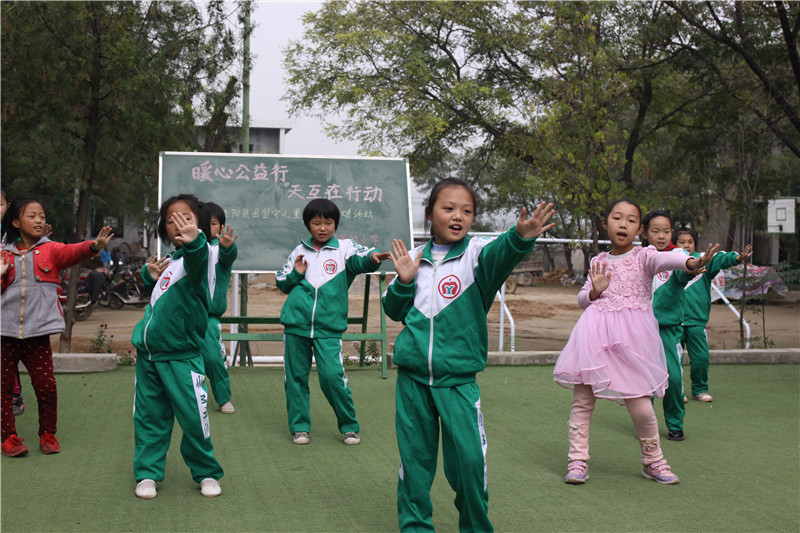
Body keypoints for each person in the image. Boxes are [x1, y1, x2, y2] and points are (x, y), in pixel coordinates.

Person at [383, 177, 555, 532]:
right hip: (413, 383)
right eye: (448, 208)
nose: (458, 216)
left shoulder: (477, 256)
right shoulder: (412, 258)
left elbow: (502, 254)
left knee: (470, 465)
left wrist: (521, 236)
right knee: (414, 463)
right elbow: (393, 309)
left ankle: (475, 526)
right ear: (429, 213)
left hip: (458, 383)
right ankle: (415, 526)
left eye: (467, 210)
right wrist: (403, 281)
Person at [553, 199, 718, 486]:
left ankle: (653, 462)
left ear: (639, 230)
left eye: (631, 220)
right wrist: (594, 291)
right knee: (582, 401)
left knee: (641, 407)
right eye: (617, 218)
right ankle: (577, 460)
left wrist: (691, 262)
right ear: (605, 224)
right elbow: (582, 300)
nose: (623, 224)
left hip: (632, 343)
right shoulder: (598, 261)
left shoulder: (645, 256)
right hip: (594, 337)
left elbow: (669, 259)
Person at [1, 194, 112, 457]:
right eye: (32, 216)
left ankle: (48, 434)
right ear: (16, 222)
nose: (39, 220)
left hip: (37, 336)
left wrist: (93, 246)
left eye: (42, 216)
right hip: (4, 334)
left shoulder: (49, 249)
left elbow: (72, 251)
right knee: (3, 390)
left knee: (47, 388)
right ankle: (9, 438)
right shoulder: (3, 253)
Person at [130, 194, 223, 499]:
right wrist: (149, 276)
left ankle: (206, 472)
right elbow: (158, 299)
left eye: (186, 218)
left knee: (194, 418)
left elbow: (198, 258)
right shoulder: (172, 262)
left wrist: (195, 239)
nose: (177, 224)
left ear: (200, 224)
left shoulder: (203, 255)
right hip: (149, 357)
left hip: (182, 357)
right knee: (149, 416)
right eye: (170, 220)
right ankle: (147, 474)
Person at [276, 198, 389, 446]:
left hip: (329, 328)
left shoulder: (345, 247)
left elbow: (361, 259)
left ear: (335, 224)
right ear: (308, 225)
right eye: (317, 223)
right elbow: (282, 282)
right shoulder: (299, 251)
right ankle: (300, 428)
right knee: (295, 379)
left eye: (328, 222)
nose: (323, 227)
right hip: (296, 325)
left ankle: (349, 426)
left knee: (332, 376)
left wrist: (373, 258)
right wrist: (296, 273)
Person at [673, 226, 752, 402]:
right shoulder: (670, 262)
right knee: (673, 358)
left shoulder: (704, 260)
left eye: (690, 242)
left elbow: (721, 258)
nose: (686, 245)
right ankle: (676, 391)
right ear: (675, 244)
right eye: (682, 242)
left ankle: (700, 389)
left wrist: (737, 258)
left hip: (696, 321)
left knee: (701, 357)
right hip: (674, 321)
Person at [642, 209, 695, 441]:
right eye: (655, 231)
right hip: (642, 329)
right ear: (645, 233)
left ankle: (675, 424)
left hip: (669, 331)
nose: (661, 236)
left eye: (666, 231)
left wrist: (691, 267)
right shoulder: (638, 256)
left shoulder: (679, 256)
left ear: (672, 233)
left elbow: (684, 274)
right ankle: (645, 425)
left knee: (673, 378)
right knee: (645, 381)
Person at [202, 202, 237, 414]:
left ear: (221, 227)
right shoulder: (183, 250)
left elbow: (228, 255)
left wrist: (227, 247)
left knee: (214, 359)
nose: (208, 228)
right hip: (182, 316)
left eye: (213, 223)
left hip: (207, 318)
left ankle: (223, 398)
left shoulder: (219, 250)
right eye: (203, 223)